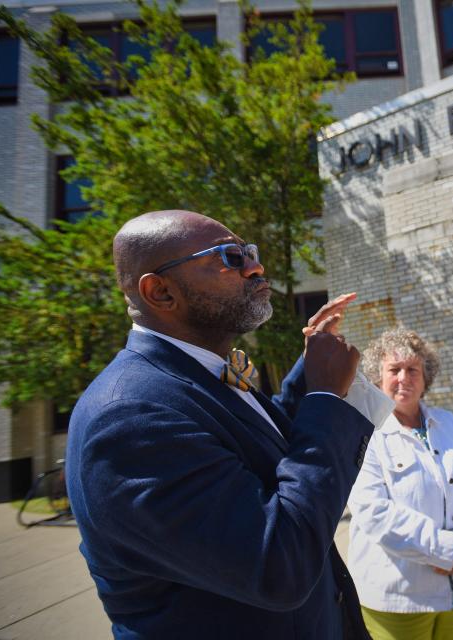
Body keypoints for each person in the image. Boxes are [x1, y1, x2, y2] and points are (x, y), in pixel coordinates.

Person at [65, 210, 377, 639]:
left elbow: (263, 455)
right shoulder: (130, 418)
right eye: (230, 257)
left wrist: (308, 371)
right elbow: (277, 565)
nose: (256, 267)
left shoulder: (195, 374)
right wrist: (323, 399)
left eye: (250, 252)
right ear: (161, 292)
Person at [347, 327, 453, 640]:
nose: (404, 378)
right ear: (378, 377)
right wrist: (449, 550)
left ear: (425, 376)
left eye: (413, 369)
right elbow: (373, 512)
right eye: (394, 370)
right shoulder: (363, 433)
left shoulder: (450, 423)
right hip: (400, 599)